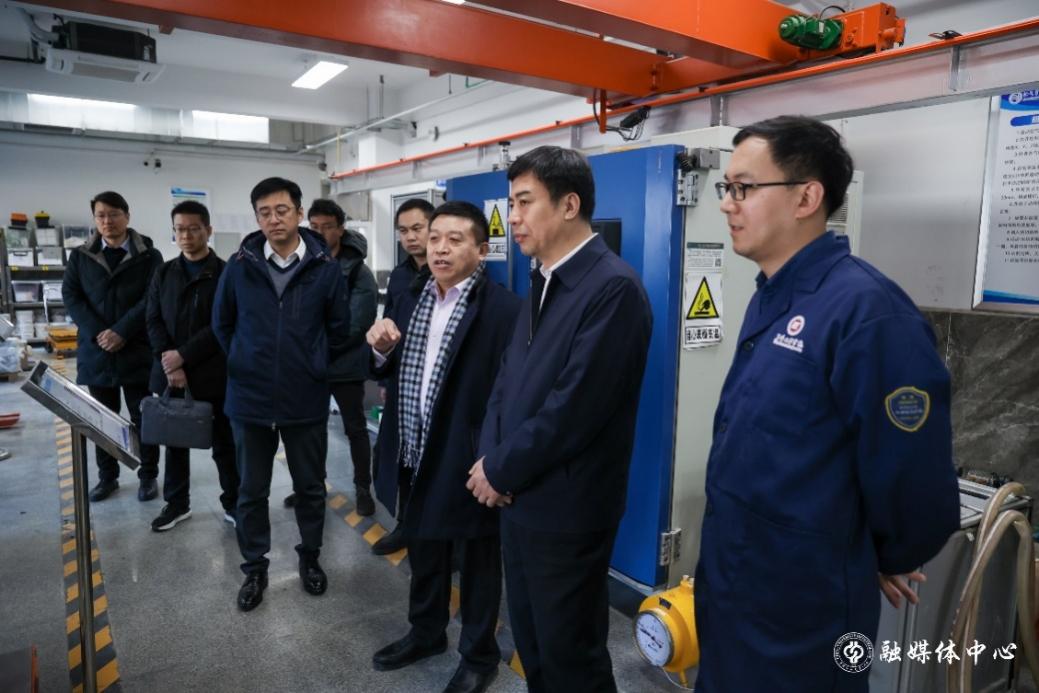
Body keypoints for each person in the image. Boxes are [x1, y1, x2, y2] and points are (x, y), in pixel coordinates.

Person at [693, 115, 960, 692]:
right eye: (726, 188)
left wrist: (885, 553)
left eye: (744, 188)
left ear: (806, 198)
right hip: (737, 583)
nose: (727, 204)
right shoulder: (773, 296)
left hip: (805, 608)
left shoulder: (868, 312)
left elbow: (913, 476)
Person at [467, 146, 653, 692]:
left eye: (524, 202)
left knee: (571, 656)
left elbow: (574, 410)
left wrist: (500, 470)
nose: (513, 217)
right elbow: (508, 380)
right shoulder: (543, 280)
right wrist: (491, 460)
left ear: (569, 205)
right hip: (520, 499)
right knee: (534, 647)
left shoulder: (612, 289)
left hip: (568, 509)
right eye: (511, 203)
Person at [368, 201, 520, 693]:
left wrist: (497, 460)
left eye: (455, 240)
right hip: (415, 447)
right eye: (435, 238)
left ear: (481, 250)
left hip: (470, 456)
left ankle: (479, 655)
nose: (440, 248)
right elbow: (388, 367)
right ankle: (426, 632)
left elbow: (514, 394)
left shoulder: (504, 310)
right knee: (425, 548)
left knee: (477, 560)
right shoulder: (412, 297)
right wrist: (380, 349)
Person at [212, 177, 350, 612]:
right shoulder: (239, 266)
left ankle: (310, 557)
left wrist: (312, 364)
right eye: (264, 212)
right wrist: (246, 360)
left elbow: (339, 329)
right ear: (257, 218)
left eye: (282, 210)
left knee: (310, 486)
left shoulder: (324, 268)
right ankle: (255, 567)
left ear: (299, 213)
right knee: (251, 490)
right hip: (249, 399)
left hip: (304, 396)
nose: (274, 219)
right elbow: (222, 323)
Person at [62, 190, 163, 502]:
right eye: (101, 215)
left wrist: (121, 331)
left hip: (136, 348)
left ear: (127, 216)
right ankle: (108, 477)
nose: (107, 221)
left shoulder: (149, 255)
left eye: (114, 214)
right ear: (95, 219)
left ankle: (148, 476)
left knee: (143, 417)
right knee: (101, 418)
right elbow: (72, 297)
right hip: (97, 351)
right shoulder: (81, 256)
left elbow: (152, 298)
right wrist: (100, 333)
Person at [145, 200, 239, 532]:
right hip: (170, 372)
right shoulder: (164, 272)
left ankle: (234, 503)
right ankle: (177, 503)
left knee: (225, 443)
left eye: (193, 229)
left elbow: (222, 324)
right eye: (179, 229)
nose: (186, 235)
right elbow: (153, 319)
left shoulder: (226, 273)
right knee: (175, 441)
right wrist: (170, 362)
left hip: (214, 371)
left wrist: (183, 355)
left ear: (208, 230)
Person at [283, 199, 378, 516]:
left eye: (327, 227)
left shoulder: (358, 272)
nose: (320, 233)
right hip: (311, 365)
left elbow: (356, 325)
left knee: (355, 429)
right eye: (314, 227)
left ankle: (362, 488)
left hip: (345, 364)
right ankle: (312, 486)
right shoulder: (303, 264)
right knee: (312, 429)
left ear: (341, 229)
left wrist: (316, 348)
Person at [370, 198, 434, 555]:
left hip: (436, 385)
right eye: (403, 231)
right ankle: (406, 527)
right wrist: (384, 381)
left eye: (417, 228)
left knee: (436, 463)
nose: (410, 237)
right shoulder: (399, 275)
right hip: (402, 383)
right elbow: (389, 325)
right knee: (403, 460)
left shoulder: (447, 271)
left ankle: (442, 538)